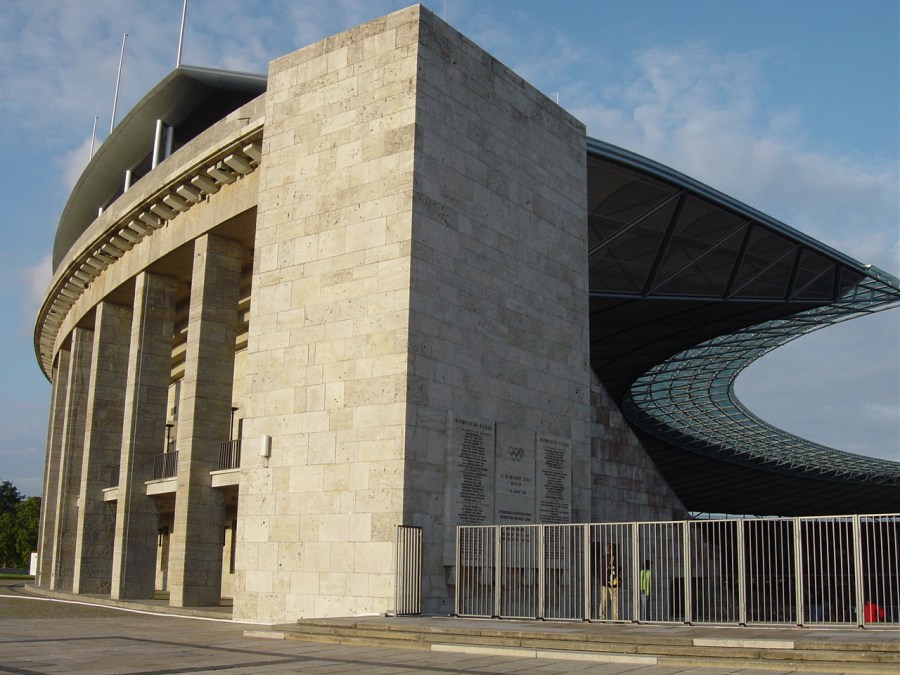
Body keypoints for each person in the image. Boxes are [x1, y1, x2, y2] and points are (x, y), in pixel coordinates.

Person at [599, 543, 619, 620]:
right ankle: (614, 618)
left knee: (605, 600)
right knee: (612, 600)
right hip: (610, 582)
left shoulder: (604, 559)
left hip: (607, 582)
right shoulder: (610, 559)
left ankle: (603, 617)